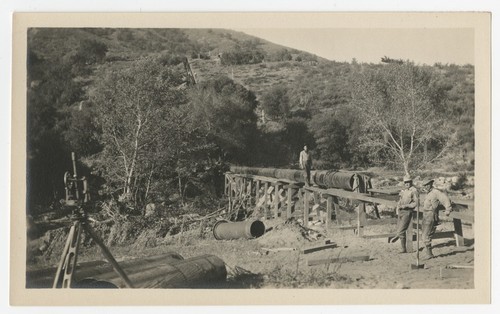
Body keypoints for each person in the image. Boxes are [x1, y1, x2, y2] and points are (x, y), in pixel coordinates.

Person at [420, 179, 453, 259]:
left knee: (426, 235)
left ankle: (429, 254)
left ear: (431, 184)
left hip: (431, 215)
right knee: (424, 234)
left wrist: (448, 209)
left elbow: (445, 199)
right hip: (425, 215)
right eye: (425, 185)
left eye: (427, 184)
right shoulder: (427, 193)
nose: (426, 186)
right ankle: (429, 253)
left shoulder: (436, 192)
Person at [394, 174, 419, 253]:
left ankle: (396, 236)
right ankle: (403, 249)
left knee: (401, 230)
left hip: (407, 211)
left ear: (411, 182)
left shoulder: (414, 191)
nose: (407, 184)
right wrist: (398, 208)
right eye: (405, 182)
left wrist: (406, 206)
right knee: (400, 230)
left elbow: (416, 203)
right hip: (401, 211)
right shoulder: (403, 191)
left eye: (408, 182)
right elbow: (400, 200)